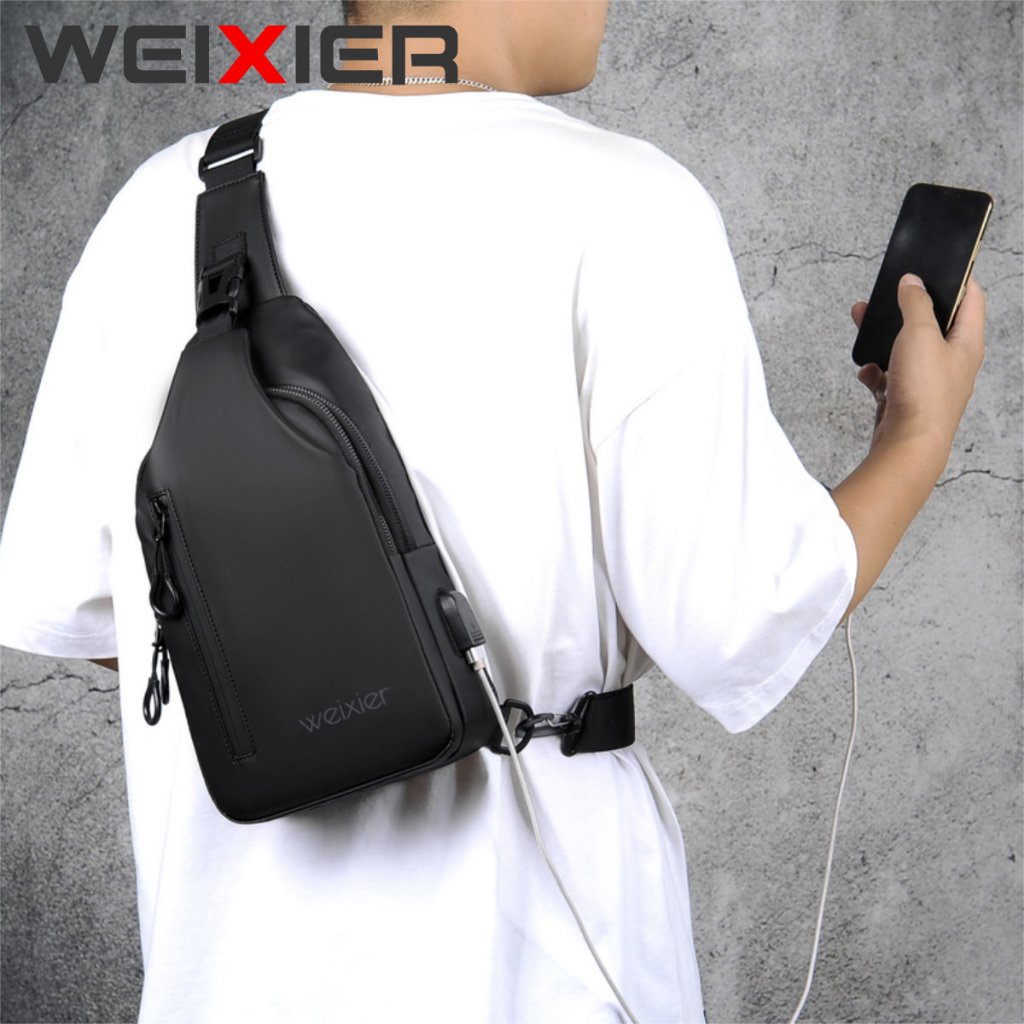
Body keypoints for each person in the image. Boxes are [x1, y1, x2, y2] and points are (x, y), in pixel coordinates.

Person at [0, 2, 985, 1021]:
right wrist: (918, 430)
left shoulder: (162, 201)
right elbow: (742, 620)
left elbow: (105, 616)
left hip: (234, 976)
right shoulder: (625, 203)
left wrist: (319, 696)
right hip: (547, 975)